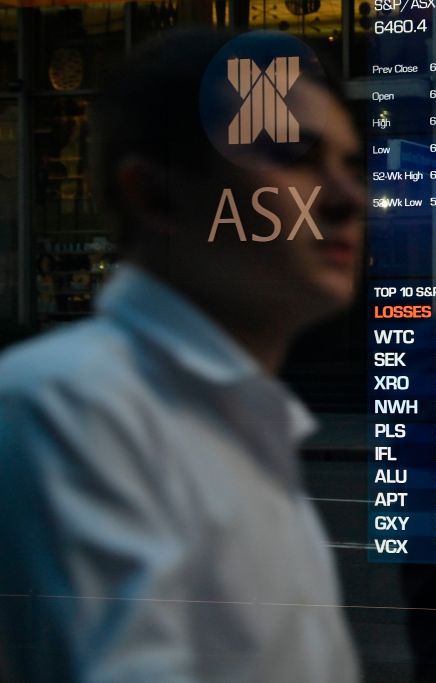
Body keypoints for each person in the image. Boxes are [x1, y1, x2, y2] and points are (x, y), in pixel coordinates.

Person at [0, 28, 364, 682]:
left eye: (350, 163)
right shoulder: (71, 406)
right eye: (295, 156)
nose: (345, 198)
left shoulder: (252, 423)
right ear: (156, 194)